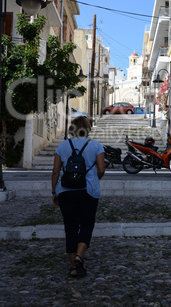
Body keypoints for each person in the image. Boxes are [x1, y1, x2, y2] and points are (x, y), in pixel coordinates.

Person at [51, 116, 105, 278]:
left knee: (70, 226)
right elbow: (101, 170)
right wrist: (94, 179)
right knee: (87, 224)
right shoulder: (96, 145)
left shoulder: (63, 146)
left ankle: (74, 267)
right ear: (87, 128)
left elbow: (55, 171)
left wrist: (54, 191)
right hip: (89, 191)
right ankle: (80, 257)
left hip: (65, 191)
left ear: (72, 128)